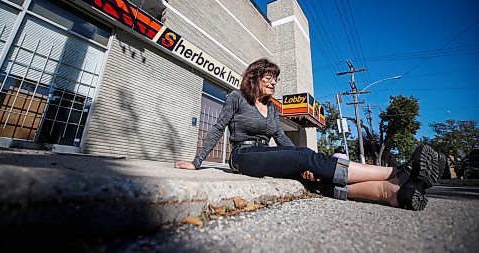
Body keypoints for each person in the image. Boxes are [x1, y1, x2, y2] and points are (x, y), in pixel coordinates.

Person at [174, 58, 444, 211]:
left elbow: (282, 140)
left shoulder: (272, 109)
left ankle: (393, 194)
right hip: (243, 155)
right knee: (305, 155)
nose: (273, 82)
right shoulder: (236, 98)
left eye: (275, 79)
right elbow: (218, 128)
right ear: (254, 77)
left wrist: (301, 161)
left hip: (266, 154)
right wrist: (196, 161)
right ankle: (395, 173)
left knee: (317, 178)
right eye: (268, 77)